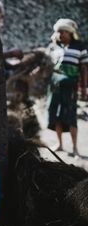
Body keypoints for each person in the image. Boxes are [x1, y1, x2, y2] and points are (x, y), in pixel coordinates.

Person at [47, 18, 87, 156]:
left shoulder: (80, 46)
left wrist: (83, 88)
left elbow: (83, 68)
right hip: (55, 88)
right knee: (56, 115)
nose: (61, 34)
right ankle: (60, 144)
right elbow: (48, 67)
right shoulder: (53, 47)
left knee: (71, 116)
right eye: (59, 32)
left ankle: (75, 147)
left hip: (71, 88)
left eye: (63, 32)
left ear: (70, 33)